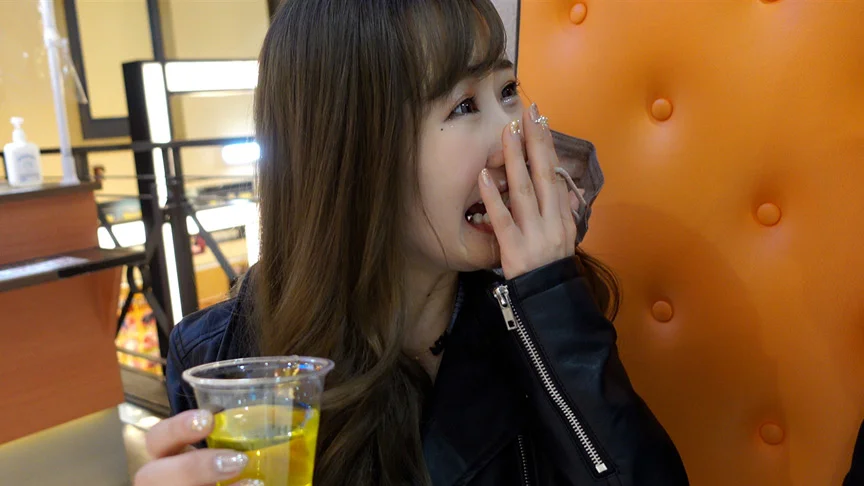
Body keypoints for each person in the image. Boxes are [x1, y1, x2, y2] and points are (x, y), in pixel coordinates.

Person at [134, 1, 690, 485]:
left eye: (507, 90)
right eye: (464, 106)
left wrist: (551, 300)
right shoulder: (224, 356)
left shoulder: (541, 312)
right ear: (356, 157)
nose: (514, 138)